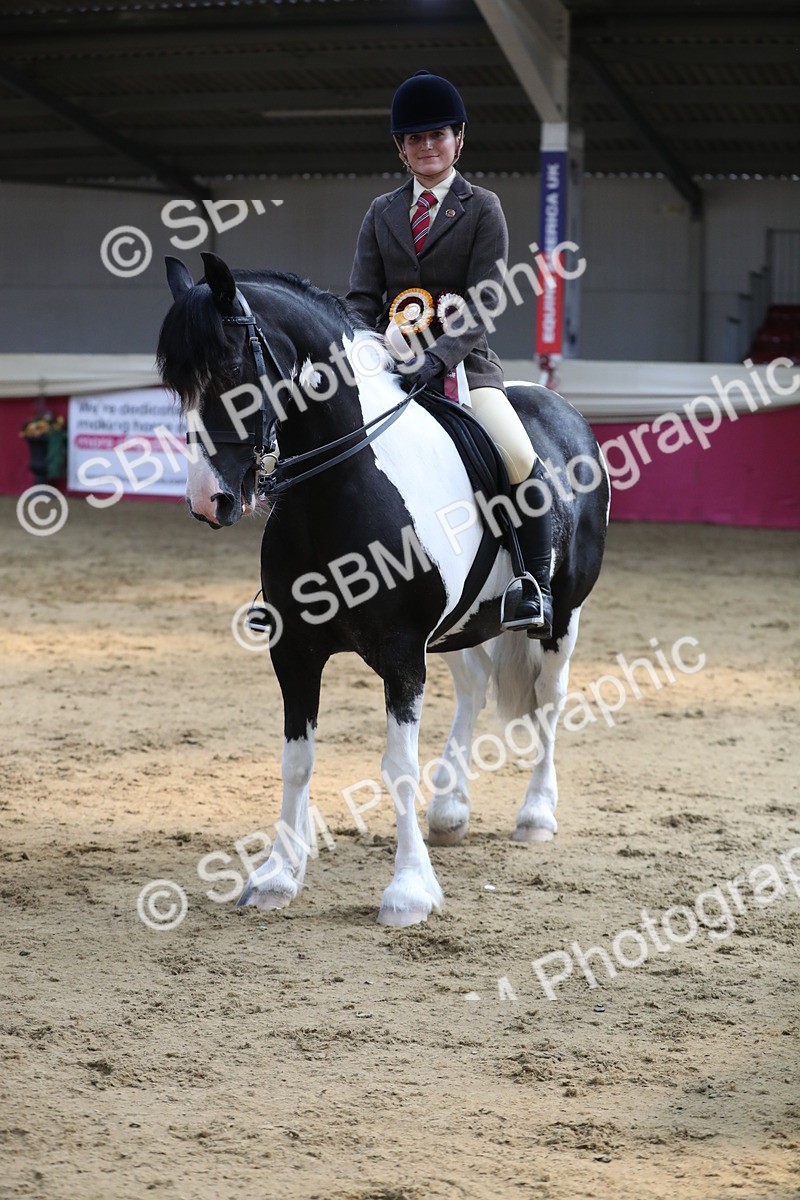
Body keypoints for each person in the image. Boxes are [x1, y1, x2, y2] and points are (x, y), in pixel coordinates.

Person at [346, 70, 553, 637]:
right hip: (390, 366)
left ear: (458, 139)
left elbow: (485, 302)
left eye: (436, 135)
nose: (426, 146)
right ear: (401, 148)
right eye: (414, 138)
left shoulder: (483, 207)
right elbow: (361, 300)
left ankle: (532, 584)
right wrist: (366, 352)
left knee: (518, 456)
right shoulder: (381, 212)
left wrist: (435, 360)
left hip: (464, 367)